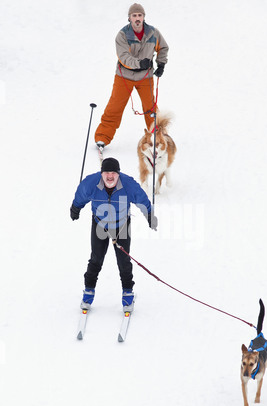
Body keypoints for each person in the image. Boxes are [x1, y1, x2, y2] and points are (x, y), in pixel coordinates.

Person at [70, 157, 158, 311]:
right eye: (106, 173)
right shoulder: (91, 183)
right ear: (101, 173)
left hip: (121, 225)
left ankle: (127, 292)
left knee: (124, 261)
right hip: (100, 224)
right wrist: (76, 208)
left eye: (113, 173)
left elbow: (142, 199)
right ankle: (88, 290)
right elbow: (81, 194)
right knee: (96, 259)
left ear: (118, 174)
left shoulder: (128, 184)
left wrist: (149, 215)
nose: (110, 176)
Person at [94, 3, 169, 156]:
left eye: (139, 15)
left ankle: (160, 137)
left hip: (145, 77)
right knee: (115, 106)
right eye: (134, 16)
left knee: (150, 108)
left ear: (143, 17)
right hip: (124, 76)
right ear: (129, 18)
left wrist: (161, 63)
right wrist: (139, 63)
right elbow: (123, 57)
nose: (137, 19)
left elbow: (163, 48)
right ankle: (103, 137)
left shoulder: (153, 33)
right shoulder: (122, 35)